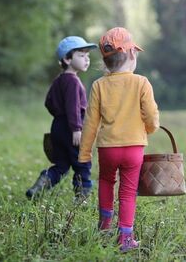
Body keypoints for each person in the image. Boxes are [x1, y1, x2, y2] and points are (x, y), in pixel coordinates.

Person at [79, 27, 159, 252]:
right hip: (134, 149)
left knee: (106, 182)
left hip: (108, 149)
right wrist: (151, 128)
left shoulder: (98, 85)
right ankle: (125, 238)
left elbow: (90, 124)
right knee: (128, 190)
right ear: (132, 54)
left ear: (106, 61)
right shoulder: (141, 83)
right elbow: (151, 116)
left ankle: (104, 228)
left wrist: (85, 154)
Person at [26, 36, 97, 200]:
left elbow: (48, 102)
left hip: (58, 126)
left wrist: (59, 117)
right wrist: (76, 128)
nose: (86, 59)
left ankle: (42, 183)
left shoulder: (59, 81)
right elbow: (73, 107)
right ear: (67, 58)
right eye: (81, 55)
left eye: (88, 56)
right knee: (82, 163)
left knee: (62, 165)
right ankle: (82, 197)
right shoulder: (73, 81)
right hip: (73, 128)